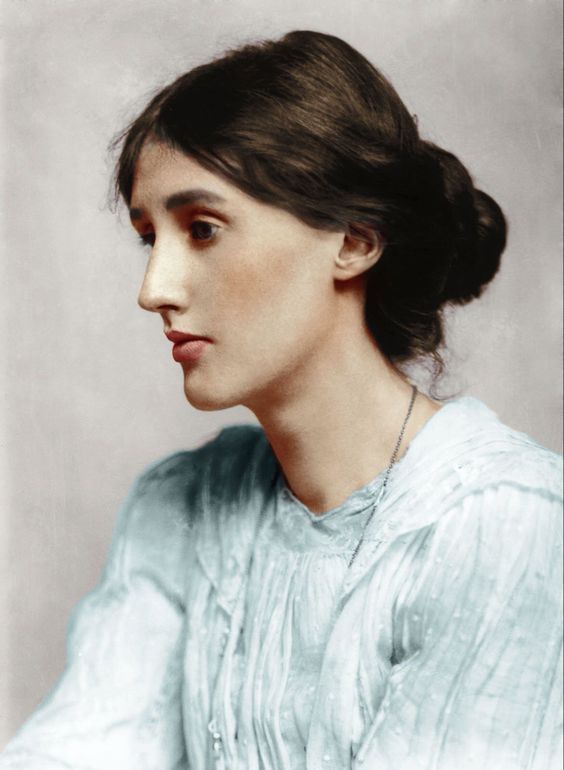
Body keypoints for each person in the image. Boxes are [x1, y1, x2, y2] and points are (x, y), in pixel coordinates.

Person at [1, 28, 562, 770]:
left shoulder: (503, 524)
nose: (154, 290)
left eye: (203, 229)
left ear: (354, 241)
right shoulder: (183, 504)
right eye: (149, 237)